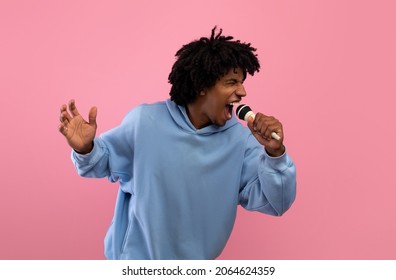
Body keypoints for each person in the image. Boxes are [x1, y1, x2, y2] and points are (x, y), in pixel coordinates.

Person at [58, 27, 296, 260]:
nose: (242, 91)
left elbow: (276, 202)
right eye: (231, 82)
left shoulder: (241, 142)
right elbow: (101, 163)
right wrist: (85, 148)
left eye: (242, 82)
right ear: (202, 86)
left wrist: (275, 153)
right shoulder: (145, 122)